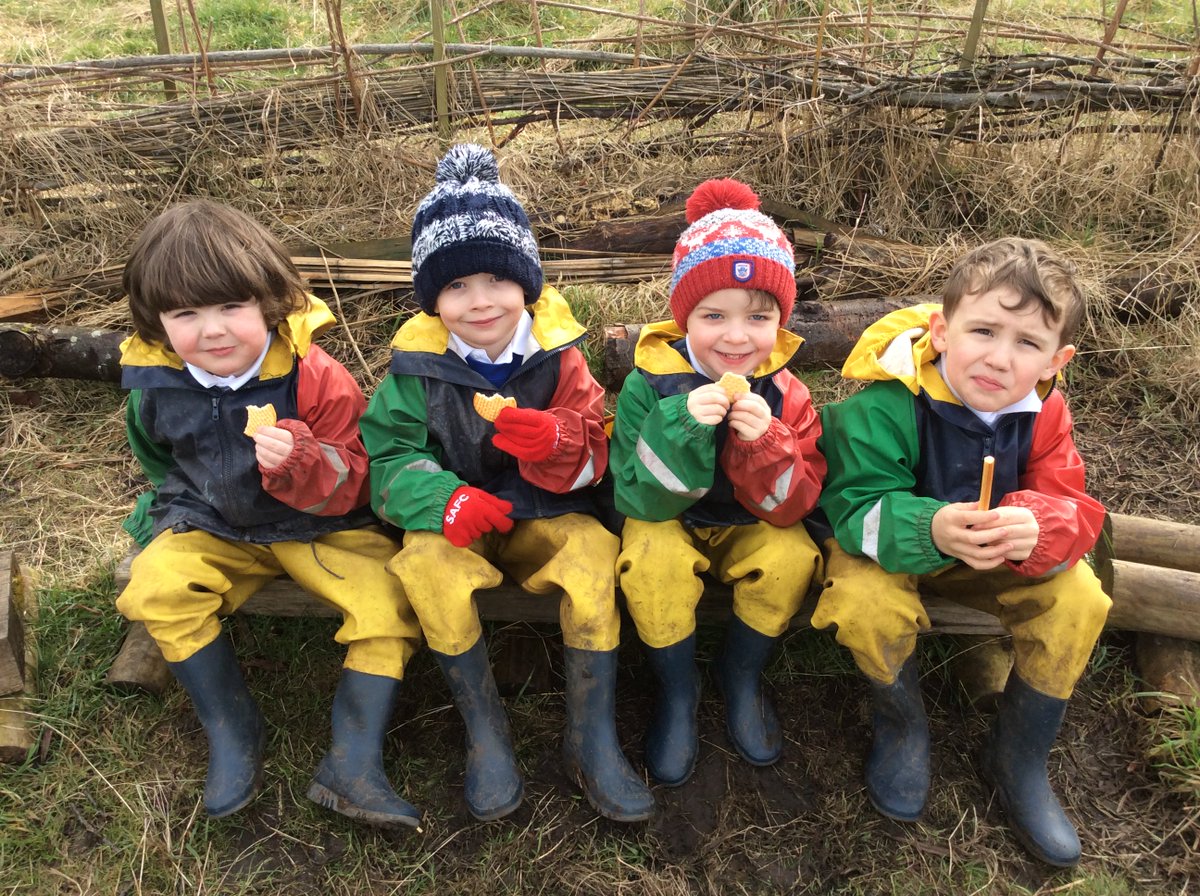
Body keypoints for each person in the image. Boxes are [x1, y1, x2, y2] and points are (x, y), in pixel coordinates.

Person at [360, 143, 653, 823]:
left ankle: (592, 737)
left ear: (528, 282)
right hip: (460, 524)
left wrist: (556, 440)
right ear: (432, 298)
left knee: (592, 560)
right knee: (425, 567)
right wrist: (443, 498)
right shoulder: (415, 372)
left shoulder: (561, 358)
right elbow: (388, 462)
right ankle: (485, 732)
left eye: (496, 279)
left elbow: (596, 451)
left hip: (548, 513)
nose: (480, 301)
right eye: (456, 286)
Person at [116, 200, 423, 828]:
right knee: (155, 587)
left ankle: (352, 761)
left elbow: (359, 479)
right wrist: (174, 513)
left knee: (391, 600)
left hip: (318, 527)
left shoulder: (314, 375)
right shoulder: (155, 384)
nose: (213, 331)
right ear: (158, 323)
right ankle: (234, 731)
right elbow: (159, 459)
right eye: (185, 315)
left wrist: (304, 465)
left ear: (268, 303)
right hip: (214, 525)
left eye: (231, 307)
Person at [812, 236, 1111, 866]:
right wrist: (929, 526)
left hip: (992, 559)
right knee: (864, 603)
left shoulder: (1046, 413)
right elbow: (851, 508)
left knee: (1079, 596)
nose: (999, 359)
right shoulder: (885, 403)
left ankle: (1019, 757)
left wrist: (1038, 526)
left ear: (1057, 359)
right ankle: (901, 727)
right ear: (942, 331)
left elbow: (1073, 506)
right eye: (983, 331)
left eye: (1027, 343)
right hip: (888, 553)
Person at [610, 178, 826, 787]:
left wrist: (768, 444)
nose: (736, 338)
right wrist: (677, 428)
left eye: (758, 317)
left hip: (750, 525)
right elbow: (632, 495)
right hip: (668, 523)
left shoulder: (786, 394)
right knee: (649, 560)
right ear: (685, 315)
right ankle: (678, 692)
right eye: (714, 316)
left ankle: (742, 677)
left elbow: (795, 506)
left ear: (780, 321)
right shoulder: (647, 384)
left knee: (791, 556)